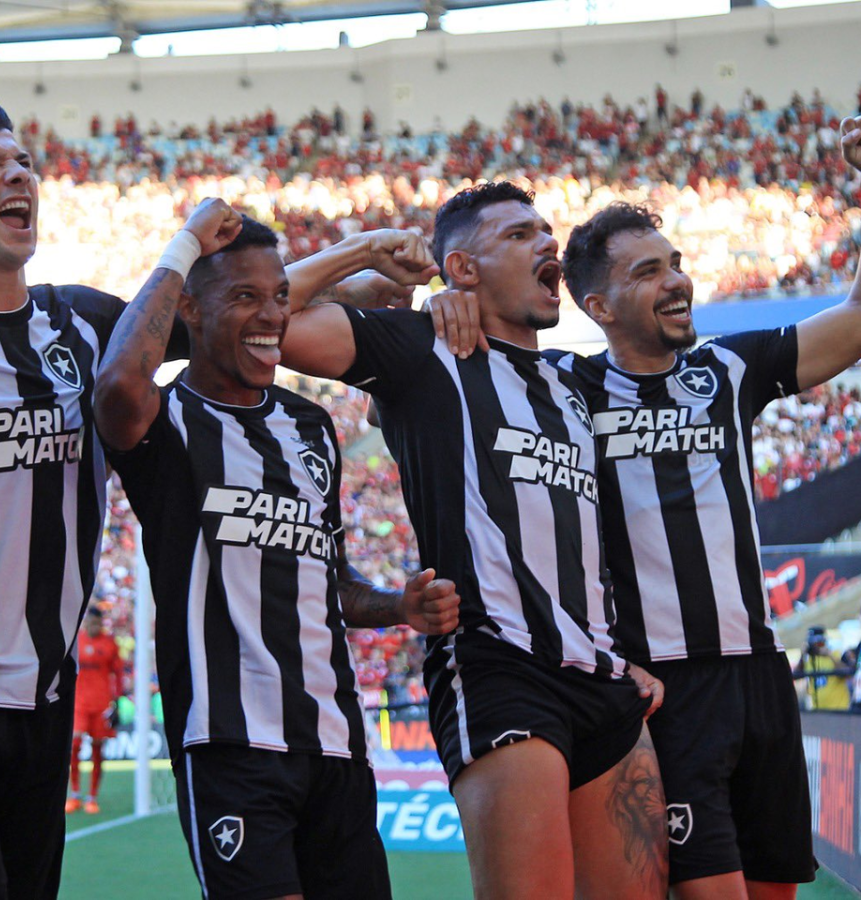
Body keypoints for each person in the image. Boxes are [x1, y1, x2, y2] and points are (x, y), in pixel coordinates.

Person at [0, 89, 437, 897]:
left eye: (22, 160)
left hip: (45, 698)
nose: (19, 174)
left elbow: (231, 310)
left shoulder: (79, 324)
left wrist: (357, 255)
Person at [277, 181, 669, 899]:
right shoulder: (424, 352)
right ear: (462, 268)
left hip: (605, 680)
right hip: (500, 671)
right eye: (519, 235)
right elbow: (264, 318)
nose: (548, 242)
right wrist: (373, 262)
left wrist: (626, 654)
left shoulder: (575, 384)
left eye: (546, 230)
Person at [93, 199, 462, 899]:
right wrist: (182, 247)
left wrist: (398, 606)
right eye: (243, 298)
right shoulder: (165, 420)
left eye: (280, 300)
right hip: (230, 745)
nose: (270, 317)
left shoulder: (310, 427)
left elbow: (334, 584)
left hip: (337, 749)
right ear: (191, 313)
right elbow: (115, 385)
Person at [552, 115, 861, 897]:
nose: (677, 281)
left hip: (759, 675)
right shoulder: (564, 390)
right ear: (598, 305)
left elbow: (856, 323)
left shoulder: (730, 368)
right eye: (648, 272)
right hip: (663, 686)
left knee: (774, 888)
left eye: (676, 264)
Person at [67, 608, 125, 814]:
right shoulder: (76, 641)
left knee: (97, 748)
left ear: (100, 623)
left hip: (101, 704)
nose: (93, 626)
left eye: (96, 623)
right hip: (79, 704)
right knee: (73, 744)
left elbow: (118, 675)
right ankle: (74, 794)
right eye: (90, 622)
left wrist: (117, 702)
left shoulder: (109, 643)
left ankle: (92, 797)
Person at [793, 627, 851, 711]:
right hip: (819, 711)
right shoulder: (809, 660)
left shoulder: (835, 654)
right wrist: (802, 656)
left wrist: (829, 656)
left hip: (839, 709)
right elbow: (795, 676)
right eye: (812, 644)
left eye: (818, 643)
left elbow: (847, 673)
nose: (815, 646)